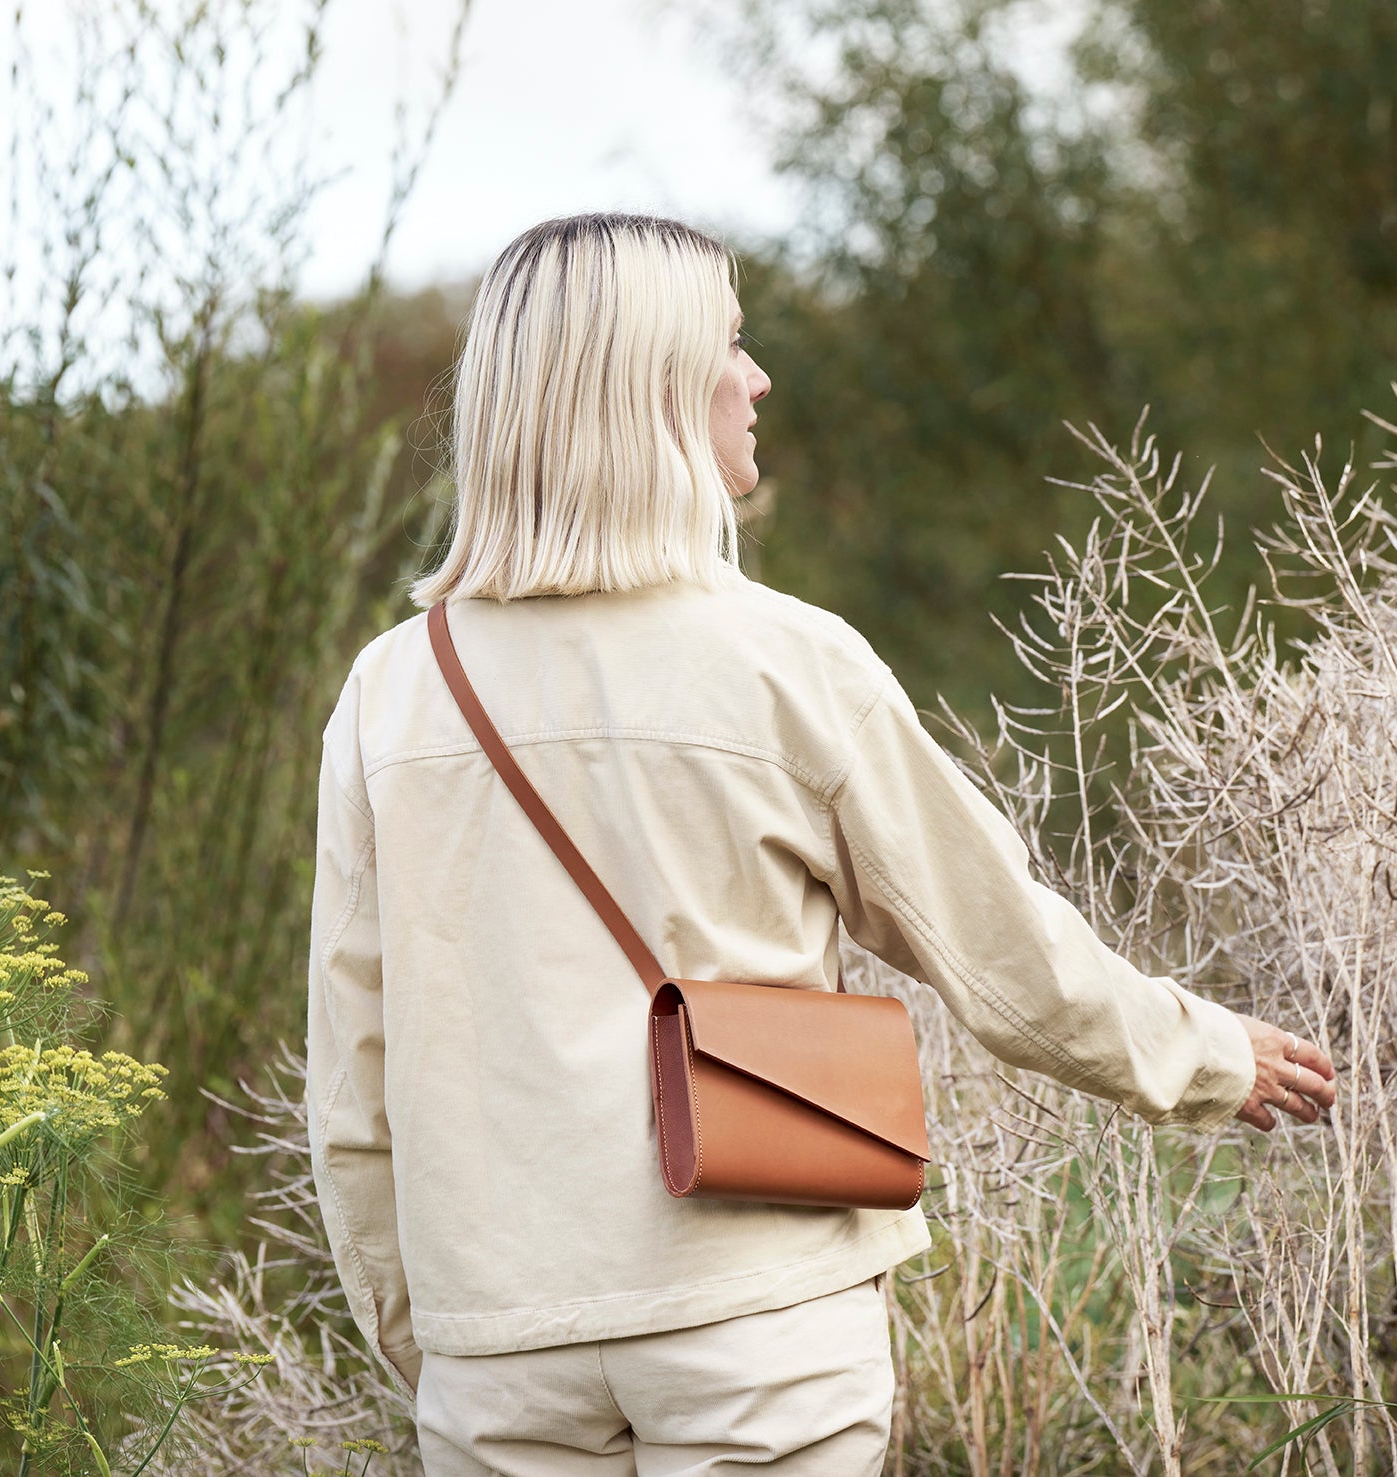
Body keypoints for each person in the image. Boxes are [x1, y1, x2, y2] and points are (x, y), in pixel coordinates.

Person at [306, 211, 1338, 1477]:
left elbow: (355, 1075)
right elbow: (1003, 955)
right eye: (729, 346)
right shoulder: (786, 665)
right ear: (652, 391)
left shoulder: (392, 693)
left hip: (500, 1350)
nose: (757, 379)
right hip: (759, 1326)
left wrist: (432, 1341)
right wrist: (1207, 1055)